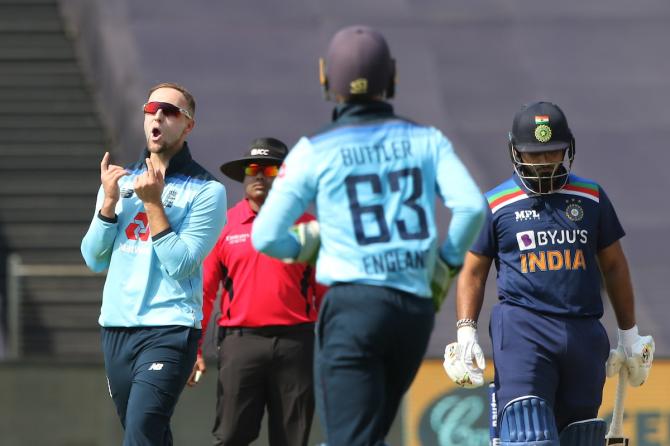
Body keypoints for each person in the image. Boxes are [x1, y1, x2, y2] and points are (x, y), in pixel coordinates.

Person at [251, 25, 486, 446]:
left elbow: (266, 236)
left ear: (326, 79)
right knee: (369, 434)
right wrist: (446, 265)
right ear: (391, 78)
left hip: (353, 310)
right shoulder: (426, 140)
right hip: (413, 311)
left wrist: (309, 244)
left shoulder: (314, 150)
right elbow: (471, 208)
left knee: (350, 439)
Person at [443, 101, 655, 446]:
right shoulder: (497, 204)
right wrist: (466, 332)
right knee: (530, 436)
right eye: (534, 155)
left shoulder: (590, 197)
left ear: (567, 149)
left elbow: (614, 265)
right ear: (515, 152)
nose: (543, 163)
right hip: (524, 331)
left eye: (552, 153)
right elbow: (473, 272)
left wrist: (629, 335)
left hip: (583, 332)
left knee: (581, 437)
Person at [81, 82, 227, 445]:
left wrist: (153, 204)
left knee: (142, 429)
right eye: (152, 109)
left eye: (170, 110)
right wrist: (109, 205)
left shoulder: (207, 191)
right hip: (116, 327)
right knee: (147, 432)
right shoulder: (119, 181)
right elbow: (93, 258)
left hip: (170, 328)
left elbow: (181, 264)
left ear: (188, 125)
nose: (158, 115)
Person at [187, 137, 326, 446]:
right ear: (245, 176)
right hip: (240, 343)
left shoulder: (308, 226)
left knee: (292, 440)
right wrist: (193, 348)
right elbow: (205, 292)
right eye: (253, 168)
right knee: (231, 435)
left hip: (296, 344)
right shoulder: (224, 225)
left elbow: (326, 295)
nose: (261, 175)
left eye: (271, 170)